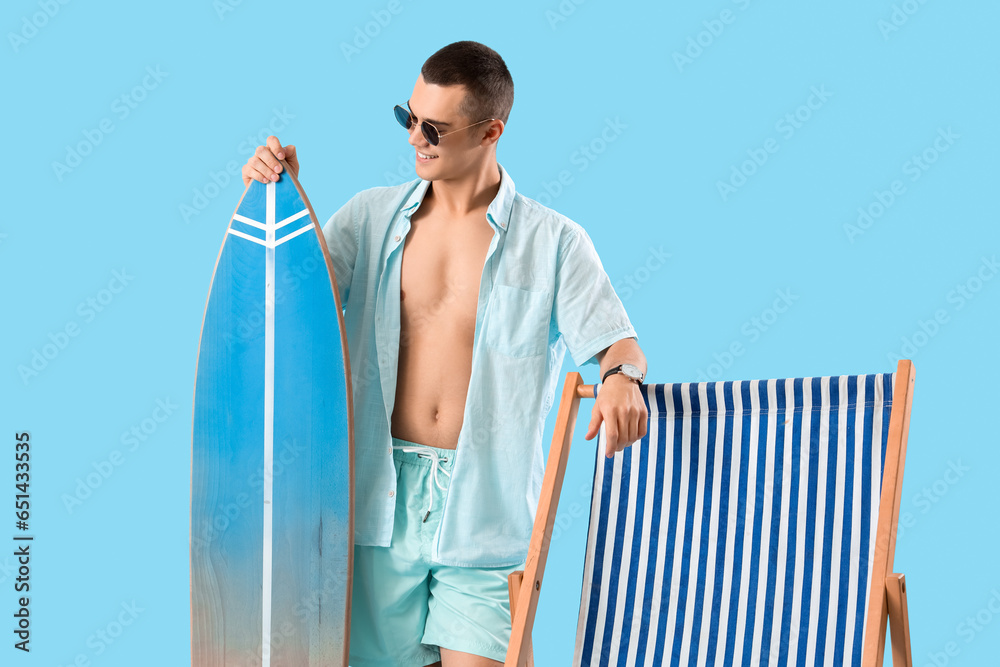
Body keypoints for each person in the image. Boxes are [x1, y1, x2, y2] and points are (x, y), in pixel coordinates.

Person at [242, 40, 648, 667]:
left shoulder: (555, 242)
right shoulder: (370, 218)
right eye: (409, 118)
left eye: (434, 127)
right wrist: (279, 199)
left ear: (492, 131)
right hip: (375, 502)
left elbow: (617, 343)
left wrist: (621, 377)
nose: (415, 139)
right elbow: (293, 300)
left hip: (486, 511)